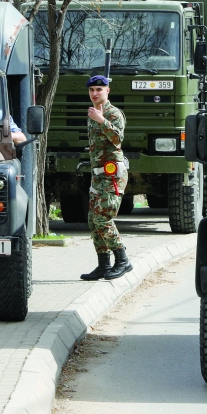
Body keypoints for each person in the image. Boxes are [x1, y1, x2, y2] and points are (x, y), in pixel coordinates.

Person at [80, 75, 132, 281]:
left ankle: (123, 259)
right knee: (93, 221)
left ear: (107, 91)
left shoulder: (112, 113)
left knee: (103, 218)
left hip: (112, 176)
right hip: (98, 176)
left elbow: (118, 139)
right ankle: (103, 264)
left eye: (99, 90)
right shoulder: (92, 113)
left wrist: (102, 121)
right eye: (92, 90)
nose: (94, 93)